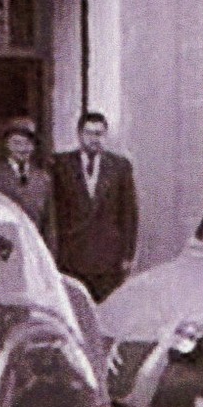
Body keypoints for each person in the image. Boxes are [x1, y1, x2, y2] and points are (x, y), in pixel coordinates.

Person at [52, 111, 138, 300]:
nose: (94, 139)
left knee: (106, 308)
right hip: (72, 255)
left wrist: (127, 255)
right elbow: (54, 213)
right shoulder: (60, 165)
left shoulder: (120, 166)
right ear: (80, 134)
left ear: (105, 135)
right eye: (89, 133)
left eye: (99, 134)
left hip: (108, 257)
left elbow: (129, 214)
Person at [0, 117, 54, 249]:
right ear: (7, 145)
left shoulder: (42, 179)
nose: (23, 149)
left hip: (33, 248)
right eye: (17, 143)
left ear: (34, 147)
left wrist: (49, 254)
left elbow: (49, 224)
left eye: (28, 144)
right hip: (2, 248)